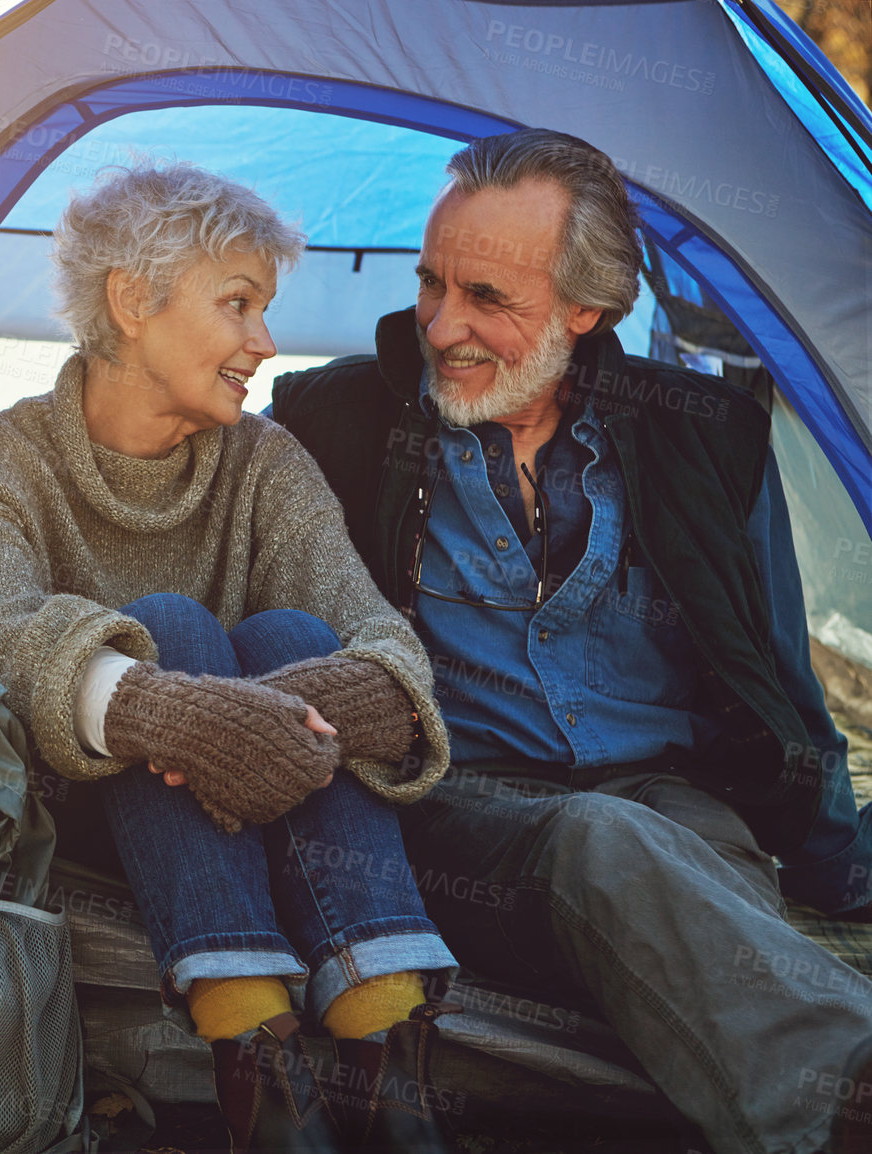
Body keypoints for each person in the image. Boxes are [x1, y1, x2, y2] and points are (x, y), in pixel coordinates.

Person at [270, 127, 872, 1154]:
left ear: (589, 309)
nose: (441, 325)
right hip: (459, 807)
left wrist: (836, 864)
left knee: (678, 874)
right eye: (432, 284)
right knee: (600, 841)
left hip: (674, 804)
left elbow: (774, 673)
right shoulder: (336, 417)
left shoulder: (705, 432)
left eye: (488, 298)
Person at [0, 162, 460, 1152]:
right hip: (68, 804)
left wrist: (287, 718)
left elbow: (387, 644)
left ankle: (387, 1052)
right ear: (132, 300)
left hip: (258, 802)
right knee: (167, 620)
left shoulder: (265, 461)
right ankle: (253, 1042)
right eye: (240, 304)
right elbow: (2, 639)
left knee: (298, 638)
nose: (265, 342)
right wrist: (181, 714)